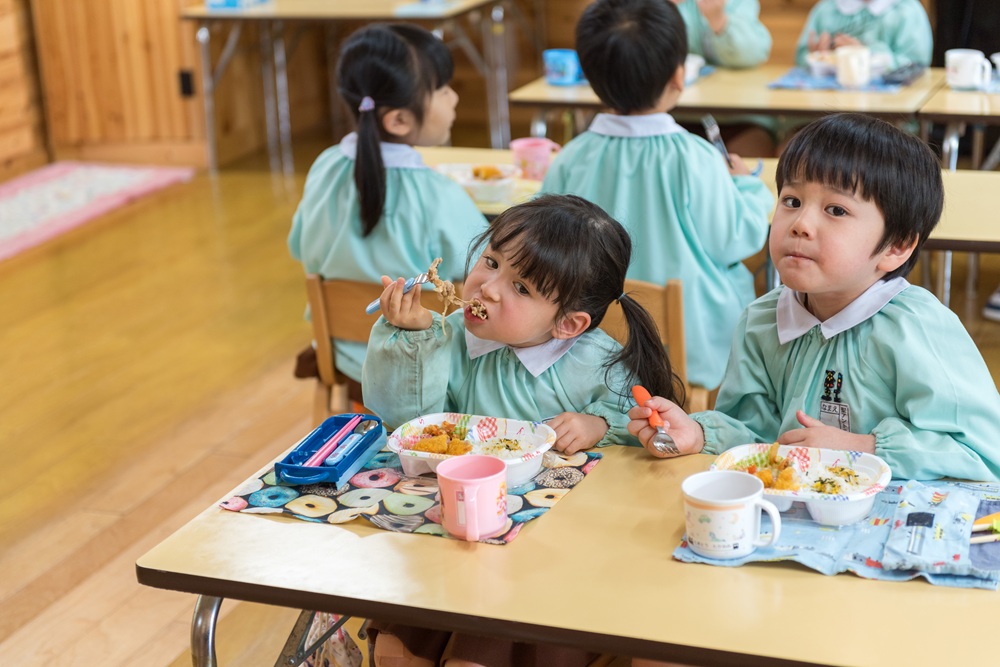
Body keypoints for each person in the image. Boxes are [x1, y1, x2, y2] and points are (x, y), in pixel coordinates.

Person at [363, 194, 682, 667]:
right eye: (490, 261)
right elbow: (409, 425)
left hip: (557, 563)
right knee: (394, 652)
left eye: (522, 288)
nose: (487, 288)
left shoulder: (596, 363)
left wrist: (600, 423)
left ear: (568, 324)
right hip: (457, 542)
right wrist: (413, 339)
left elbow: (653, 433)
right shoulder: (448, 337)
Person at [627, 113, 1000, 484]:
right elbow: (756, 435)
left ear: (897, 246)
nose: (800, 223)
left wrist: (864, 448)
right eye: (791, 200)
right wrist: (700, 433)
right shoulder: (762, 320)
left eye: (835, 210)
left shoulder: (917, 329)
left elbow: (984, 451)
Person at [540, 0, 773, 391]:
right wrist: (748, 185)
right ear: (679, 76)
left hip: (589, 351)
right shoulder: (696, 156)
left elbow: (545, 239)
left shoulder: (572, 157)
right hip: (689, 357)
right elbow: (736, 238)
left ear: (594, 81)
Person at [287, 23, 486, 399]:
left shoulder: (324, 167)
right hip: (422, 365)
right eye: (443, 89)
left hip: (341, 355)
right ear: (398, 119)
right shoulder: (438, 194)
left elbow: (299, 248)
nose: (454, 98)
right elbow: (480, 276)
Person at [670, 0, 775, 157]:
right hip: (670, 115)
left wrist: (718, 20)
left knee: (752, 149)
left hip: (737, 117)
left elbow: (754, 53)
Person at [795, 0, 933, 70]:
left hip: (887, 109)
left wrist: (867, 54)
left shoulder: (906, 11)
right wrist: (817, 57)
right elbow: (801, 59)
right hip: (828, 105)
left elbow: (915, 67)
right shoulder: (827, 9)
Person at [671, 0, 771, 69]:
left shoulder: (739, 3)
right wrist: (664, 8)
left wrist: (718, 20)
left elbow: (751, 54)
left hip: (732, 87)